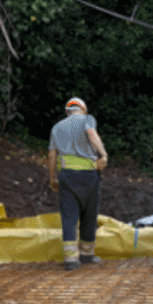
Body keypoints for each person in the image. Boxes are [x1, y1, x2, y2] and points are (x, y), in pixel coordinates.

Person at [48, 98, 108, 271]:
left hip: (67, 176)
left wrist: (52, 179)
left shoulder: (57, 127)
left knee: (69, 215)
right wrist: (103, 154)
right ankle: (87, 255)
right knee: (90, 213)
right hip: (90, 175)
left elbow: (52, 155)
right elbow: (91, 133)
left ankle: (71, 261)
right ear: (83, 110)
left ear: (67, 112)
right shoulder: (88, 119)